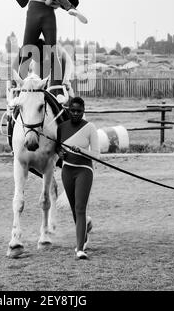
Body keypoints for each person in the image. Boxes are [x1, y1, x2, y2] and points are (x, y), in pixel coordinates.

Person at [56, 96, 100, 260]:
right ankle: (84, 236)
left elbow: (97, 155)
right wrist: (60, 153)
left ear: (83, 111)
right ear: (68, 110)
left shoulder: (90, 127)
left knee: (81, 208)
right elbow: (58, 149)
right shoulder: (61, 127)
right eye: (72, 110)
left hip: (84, 170)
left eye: (79, 111)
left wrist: (82, 151)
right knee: (74, 209)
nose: (75, 113)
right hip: (67, 171)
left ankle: (80, 249)